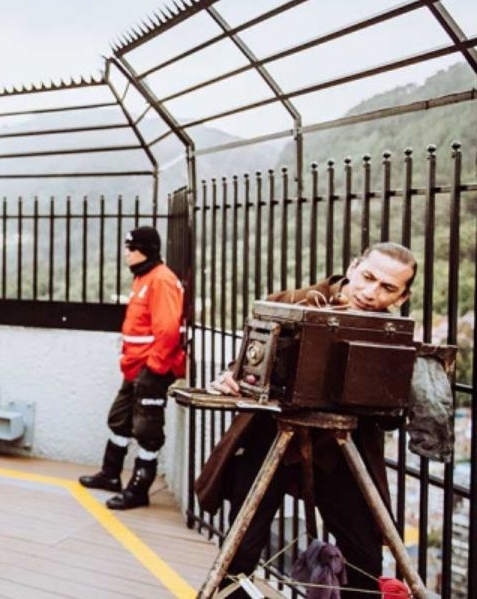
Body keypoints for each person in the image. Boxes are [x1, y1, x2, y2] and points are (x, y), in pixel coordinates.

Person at [196, 243, 417, 598]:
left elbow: (392, 418)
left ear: (403, 296)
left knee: (364, 559)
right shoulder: (294, 301)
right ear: (353, 267)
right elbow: (248, 361)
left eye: (388, 288)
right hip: (270, 436)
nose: (371, 292)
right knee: (240, 555)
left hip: (342, 449)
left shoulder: (393, 334)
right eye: (368, 277)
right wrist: (230, 376)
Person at [79, 226, 185, 510]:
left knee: (147, 429)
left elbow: (168, 330)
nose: (126, 253)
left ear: (145, 250)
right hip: (135, 367)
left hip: (152, 369)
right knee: (120, 419)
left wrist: (154, 369)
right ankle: (110, 474)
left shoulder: (161, 280)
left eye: (131, 247)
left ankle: (138, 489)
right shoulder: (143, 278)